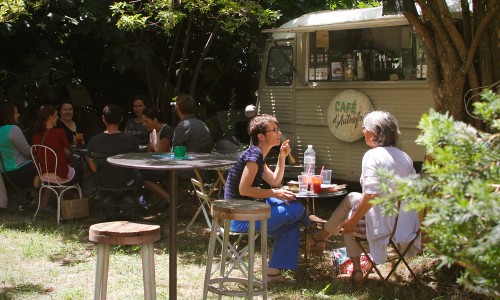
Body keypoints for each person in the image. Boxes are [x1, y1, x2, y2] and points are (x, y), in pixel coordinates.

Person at [309, 111, 421, 284]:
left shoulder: (372, 156)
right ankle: (322, 236)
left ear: (376, 132)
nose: (362, 131)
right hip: (405, 224)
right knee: (352, 197)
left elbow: (371, 195)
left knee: (349, 218)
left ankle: (356, 270)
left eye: (365, 127)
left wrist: (352, 221)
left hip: (385, 226)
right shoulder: (404, 156)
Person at [224, 114, 308, 284]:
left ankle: (272, 273)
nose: (279, 133)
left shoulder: (258, 156)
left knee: (291, 226)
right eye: (274, 130)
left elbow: (275, 181)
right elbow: (244, 189)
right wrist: (274, 194)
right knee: (297, 208)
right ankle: (313, 234)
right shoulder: (254, 157)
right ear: (261, 136)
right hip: (240, 218)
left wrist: (281, 157)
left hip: (250, 211)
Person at [87, 104, 144, 220]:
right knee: (139, 176)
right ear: (121, 119)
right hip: (128, 181)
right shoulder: (131, 139)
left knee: (102, 177)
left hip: (104, 182)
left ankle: (109, 199)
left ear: (103, 118)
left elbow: (93, 168)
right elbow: (137, 162)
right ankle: (127, 199)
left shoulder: (94, 140)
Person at [32, 105, 79, 212]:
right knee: (77, 164)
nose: (58, 117)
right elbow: (68, 155)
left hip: (44, 175)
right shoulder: (59, 132)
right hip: (60, 175)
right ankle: (72, 205)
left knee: (57, 166)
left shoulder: (36, 135)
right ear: (50, 117)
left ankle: (46, 204)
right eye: (56, 115)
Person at [141, 107, 172, 210]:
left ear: (155, 120)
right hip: (156, 165)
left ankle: (169, 198)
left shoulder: (166, 130)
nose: (144, 124)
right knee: (137, 174)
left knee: (141, 176)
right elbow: (149, 151)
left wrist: (151, 154)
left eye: (146, 121)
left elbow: (160, 154)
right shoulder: (152, 132)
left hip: (167, 167)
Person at [0, 102, 36, 189]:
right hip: (19, 172)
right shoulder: (13, 129)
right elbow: (28, 152)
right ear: (9, 115)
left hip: (4, 175)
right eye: (16, 112)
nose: (18, 115)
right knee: (47, 166)